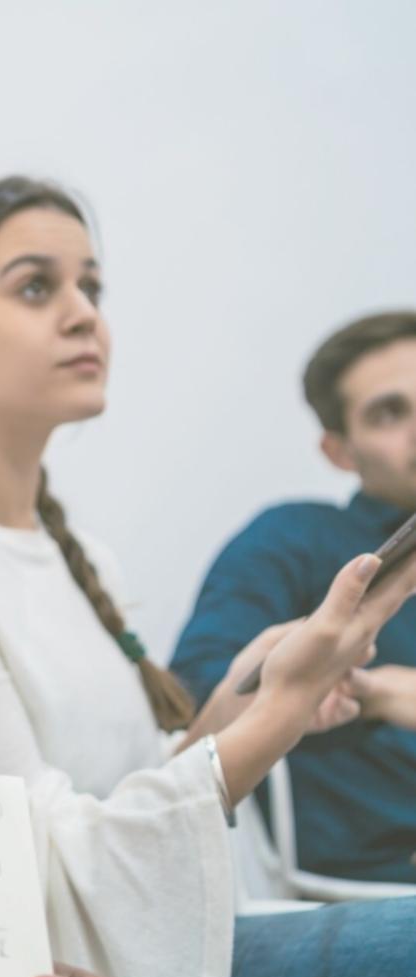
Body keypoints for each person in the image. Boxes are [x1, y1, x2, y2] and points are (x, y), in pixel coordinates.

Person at [0, 175, 416, 977]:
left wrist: (244, 693)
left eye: (90, 286)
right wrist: (280, 711)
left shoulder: (74, 552)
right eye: (35, 286)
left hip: (126, 949)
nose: (83, 312)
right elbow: (32, 870)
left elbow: (131, 793)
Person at [173, 311, 416, 882]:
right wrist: (371, 690)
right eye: (389, 412)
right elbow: (204, 693)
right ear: (339, 451)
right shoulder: (294, 541)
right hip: (368, 884)